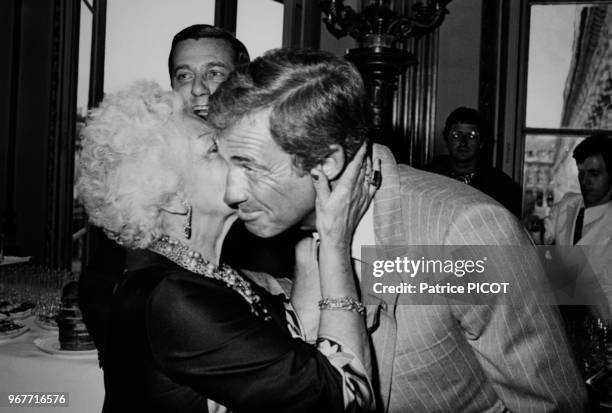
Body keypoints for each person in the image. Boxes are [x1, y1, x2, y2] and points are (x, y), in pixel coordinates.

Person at [209, 48, 588, 412]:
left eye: (251, 166)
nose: (230, 192)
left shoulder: (462, 232)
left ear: (325, 163)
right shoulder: (263, 231)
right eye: (225, 162)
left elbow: (550, 403)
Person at [76, 81, 375, 412]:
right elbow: (348, 398)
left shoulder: (202, 273)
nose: (237, 156)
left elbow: (292, 349)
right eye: (213, 150)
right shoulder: (172, 299)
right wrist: (335, 243)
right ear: (175, 197)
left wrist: (314, 235)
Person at [79, 25, 294, 365]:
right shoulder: (145, 183)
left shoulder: (281, 168)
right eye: (183, 75)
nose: (197, 89)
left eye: (214, 73)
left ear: (243, 85)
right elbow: (98, 288)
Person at [544, 134, 612, 317]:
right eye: (581, 172)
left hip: (599, 324)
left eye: (594, 173)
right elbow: (541, 237)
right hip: (559, 317)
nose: (584, 180)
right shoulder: (567, 204)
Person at [425, 107, 522, 217]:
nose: (463, 143)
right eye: (456, 135)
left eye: (471, 136)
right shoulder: (427, 178)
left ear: (481, 143)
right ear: (447, 140)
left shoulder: (502, 187)